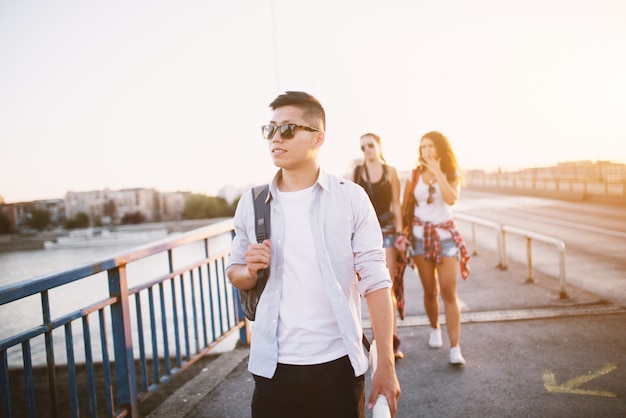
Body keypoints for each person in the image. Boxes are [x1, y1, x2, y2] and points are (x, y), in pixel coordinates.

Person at [227, 91, 401, 418]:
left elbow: (377, 281)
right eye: (270, 130)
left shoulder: (350, 198)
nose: (276, 138)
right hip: (273, 369)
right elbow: (234, 271)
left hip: (338, 365)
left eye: (288, 129)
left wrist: (386, 365)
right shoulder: (251, 203)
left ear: (318, 137)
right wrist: (249, 271)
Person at [396, 131, 470, 365]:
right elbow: (404, 205)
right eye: (422, 146)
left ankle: (455, 348)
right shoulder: (414, 174)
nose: (425, 149)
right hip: (419, 238)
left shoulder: (450, 173)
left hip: (446, 237)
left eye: (429, 145)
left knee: (449, 291)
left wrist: (437, 171)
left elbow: (451, 199)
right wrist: (403, 235)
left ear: (439, 148)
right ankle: (434, 328)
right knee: (430, 291)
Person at [352, 133, 406, 360]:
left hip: (388, 229)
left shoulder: (390, 171)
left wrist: (402, 233)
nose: (367, 150)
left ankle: (390, 341)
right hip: (364, 232)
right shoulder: (357, 173)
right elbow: (352, 205)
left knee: (387, 286)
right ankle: (376, 341)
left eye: (371, 145)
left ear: (379, 146)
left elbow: (396, 203)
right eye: (363, 147)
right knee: (367, 288)